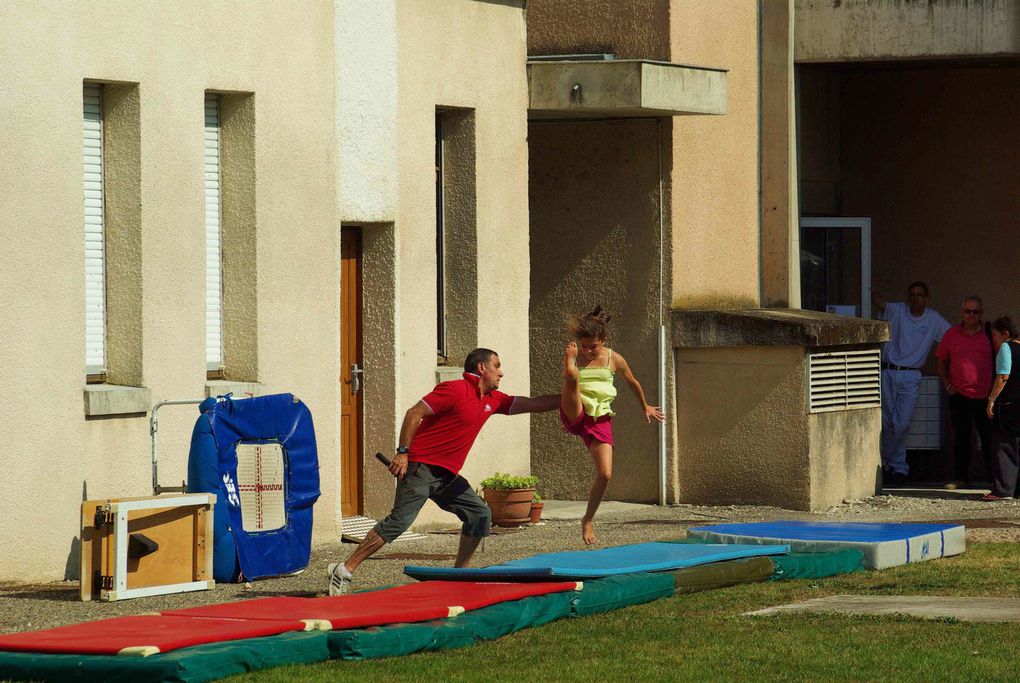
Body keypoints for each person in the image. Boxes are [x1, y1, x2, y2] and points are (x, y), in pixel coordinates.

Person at [326, 348, 559, 595]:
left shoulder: (494, 399)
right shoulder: (454, 390)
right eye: (497, 366)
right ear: (481, 368)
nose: (501, 372)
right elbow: (414, 413)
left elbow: (533, 403)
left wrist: (569, 397)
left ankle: (459, 574)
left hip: (447, 476)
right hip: (421, 468)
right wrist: (403, 452)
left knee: (479, 514)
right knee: (399, 522)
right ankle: (344, 568)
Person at [560, 307, 665, 545]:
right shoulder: (576, 355)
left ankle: (587, 519)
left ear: (603, 341)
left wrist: (645, 406)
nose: (587, 351)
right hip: (577, 412)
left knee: (605, 474)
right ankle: (568, 418)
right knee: (572, 377)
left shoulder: (614, 359)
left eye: (593, 347)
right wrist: (572, 358)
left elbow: (633, 382)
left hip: (600, 419)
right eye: (583, 346)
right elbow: (569, 385)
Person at [871, 282, 951, 485]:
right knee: (887, 422)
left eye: (920, 295)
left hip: (911, 375)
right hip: (888, 370)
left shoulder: (933, 319)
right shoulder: (898, 310)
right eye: (913, 295)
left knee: (901, 424)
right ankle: (895, 467)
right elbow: (880, 303)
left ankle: (892, 463)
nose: (916, 298)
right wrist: (869, 289)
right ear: (908, 297)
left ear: (926, 298)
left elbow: (951, 339)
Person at [935, 296, 994, 489]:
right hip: (959, 395)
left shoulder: (989, 335)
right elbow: (941, 360)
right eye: (968, 311)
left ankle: (995, 479)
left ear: (981, 314)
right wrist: (947, 384)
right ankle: (961, 478)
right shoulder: (951, 334)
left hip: (985, 396)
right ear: (962, 313)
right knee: (961, 438)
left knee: (989, 439)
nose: (971, 315)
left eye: (975, 312)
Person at [983, 316, 1020, 501]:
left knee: (1004, 446)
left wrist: (991, 399)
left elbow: (1003, 376)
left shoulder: (1007, 348)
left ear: (1005, 334)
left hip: (1010, 406)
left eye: (995, 335)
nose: (994, 340)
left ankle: (1003, 490)